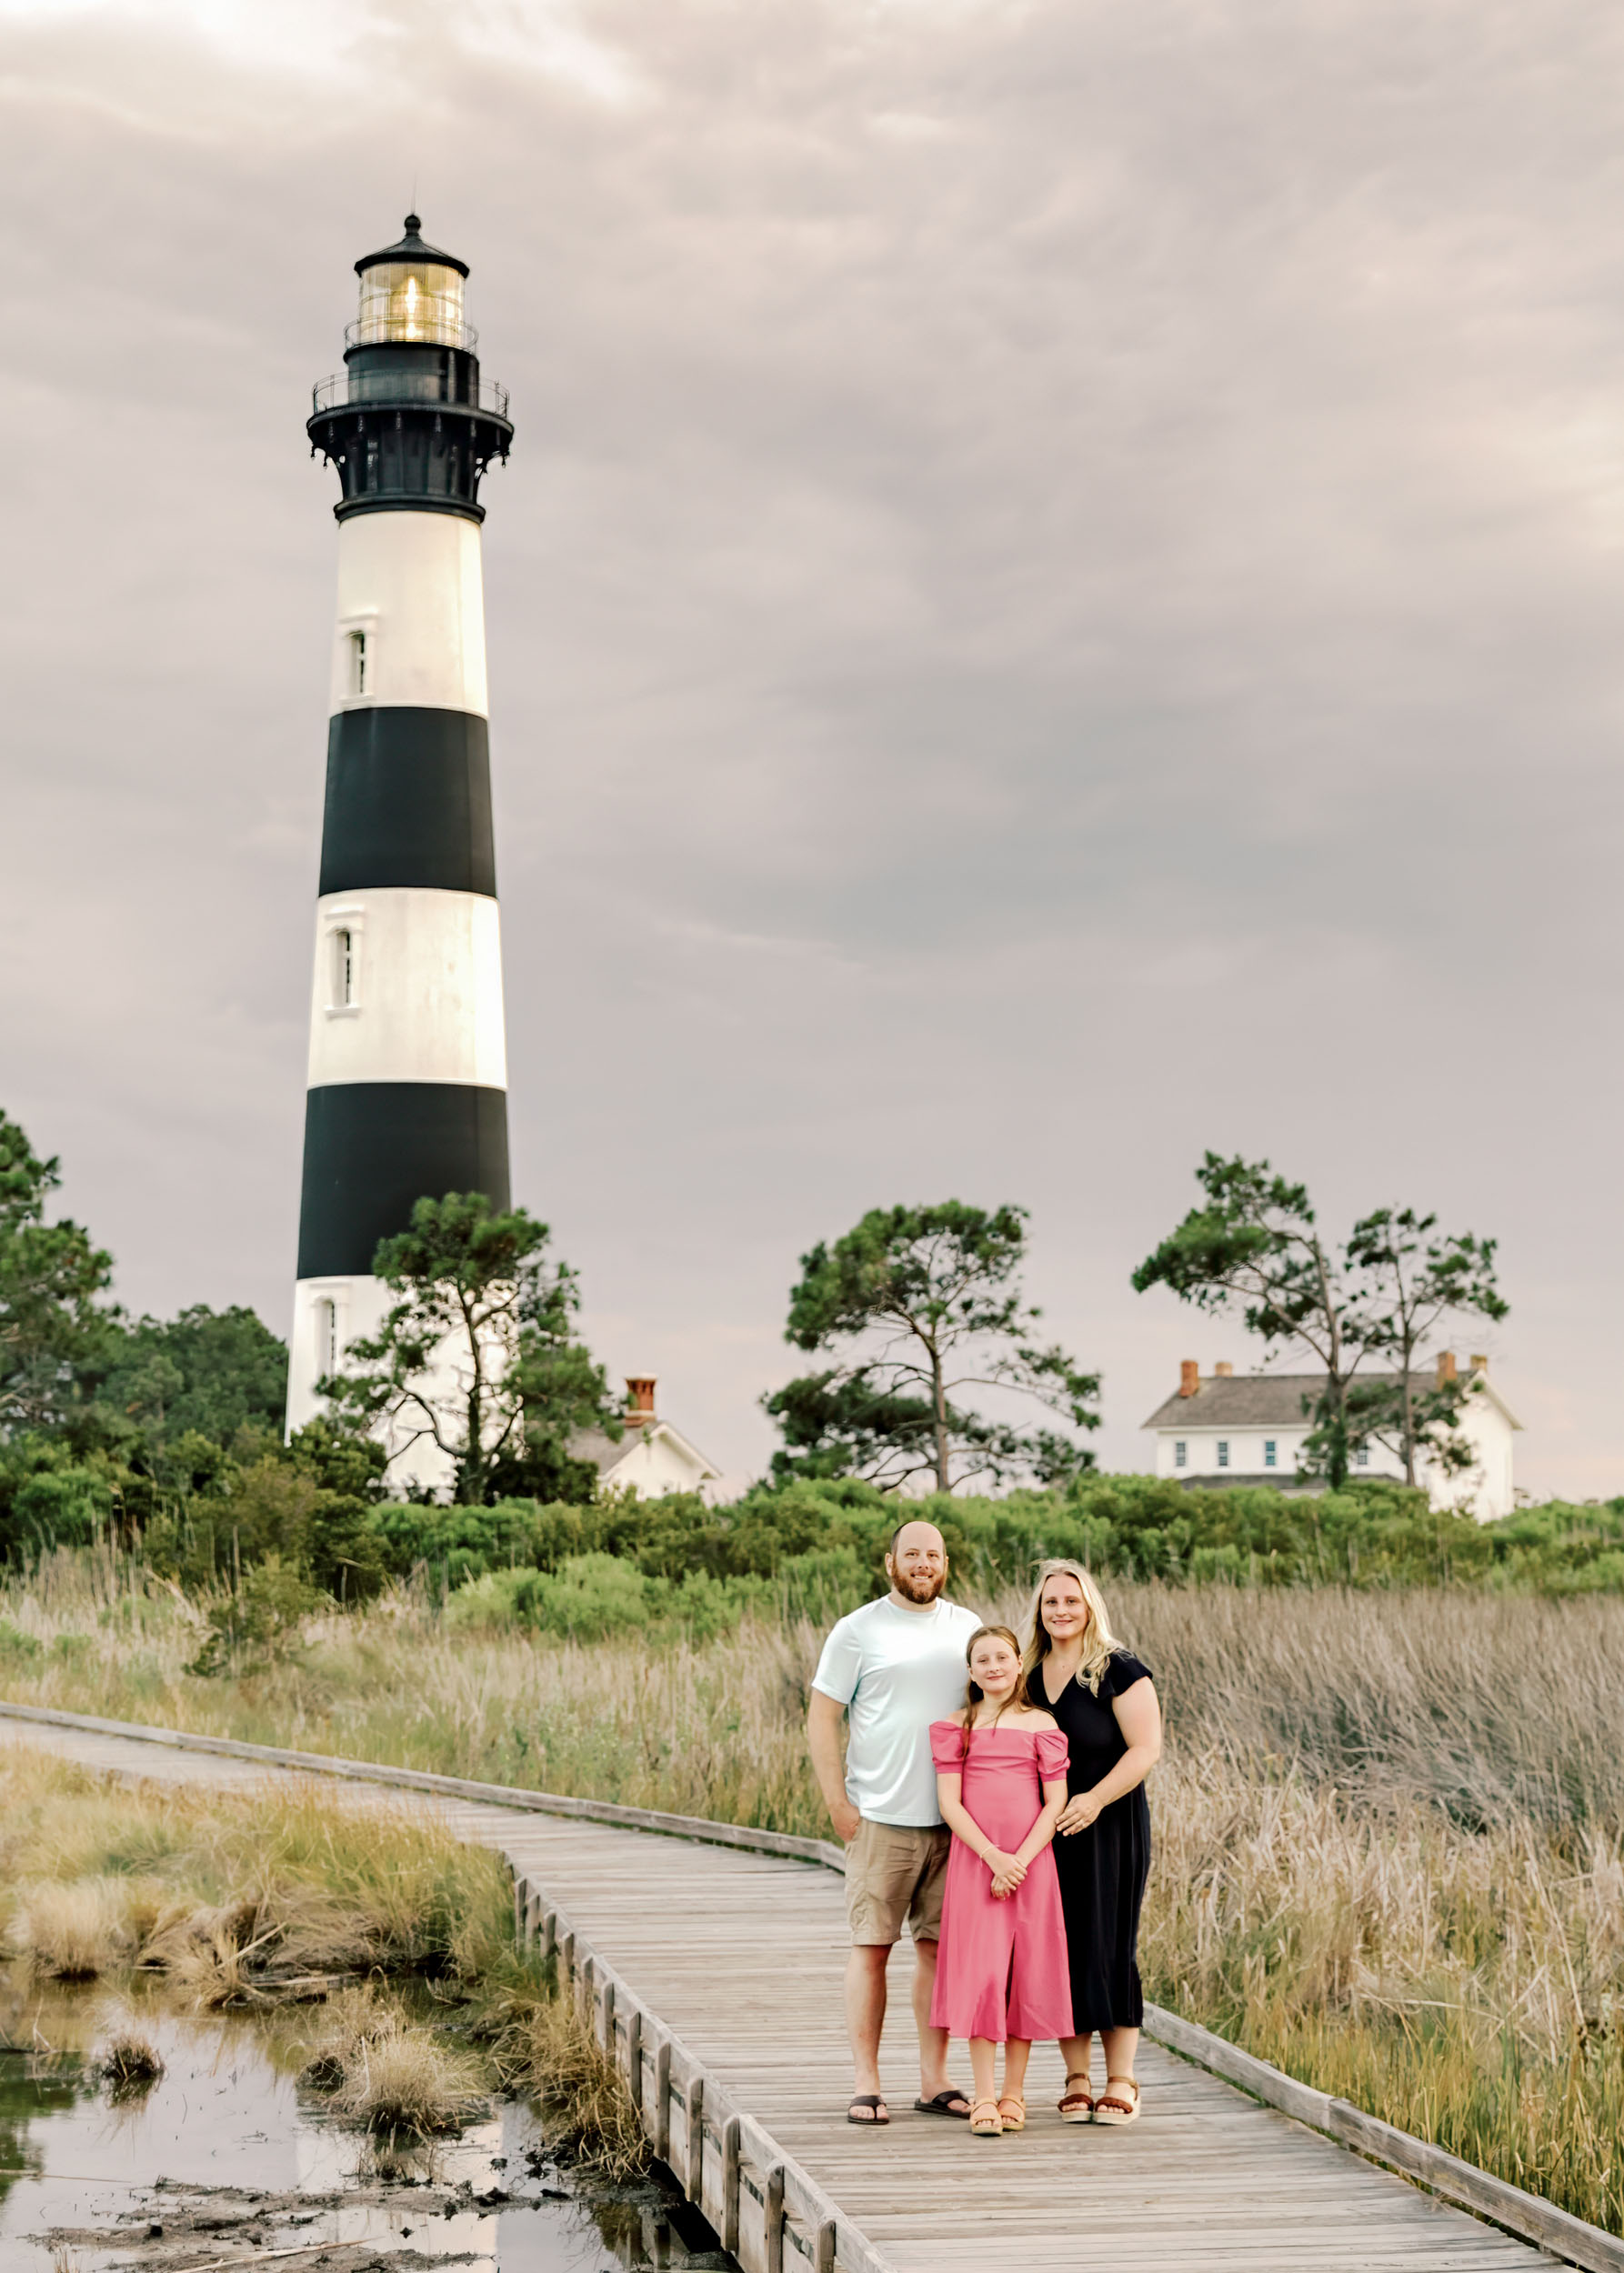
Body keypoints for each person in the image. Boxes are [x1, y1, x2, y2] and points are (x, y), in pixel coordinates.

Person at [807, 1519, 983, 2127]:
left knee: (936, 1951)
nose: (923, 1563)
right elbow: (822, 1717)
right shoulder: (858, 1630)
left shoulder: (967, 1628)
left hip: (953, 1822)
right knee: (872, 1949)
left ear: (945, 1562)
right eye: (912, 1554)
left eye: (933, 1554)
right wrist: (838, 1802)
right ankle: (866, 2081)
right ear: (891, 1562)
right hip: (881, 1818)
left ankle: (935, 2080)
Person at [1024, 1557, 1162, 2128]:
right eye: (1051, 1601)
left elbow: (1145, 1749)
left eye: (1071, 1601)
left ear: (1089, 1607)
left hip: (1109, 1822)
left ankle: (1123, 2080)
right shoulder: (1029, 1673)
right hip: (1047, 1829)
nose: (1060, 1611)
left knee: (1109, 1943)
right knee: (1061, 1947)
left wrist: (1095, 1799)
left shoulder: (1118, 1668)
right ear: (1039, 1608)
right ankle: (1076, 2079)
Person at [928, 1625, 1072, 2137]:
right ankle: (984, 2095)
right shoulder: (955, 1726)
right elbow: (950, 1803)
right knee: (983, 1975)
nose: (993, 1666)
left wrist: (1020, 1862)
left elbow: (1054, 1801)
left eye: (1002, 1657)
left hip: (1032, 1865)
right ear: (970, 1672)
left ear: (1018, 1663)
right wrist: (993, 1857)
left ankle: (1015, 2093)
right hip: (978, 1864)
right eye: (982, 1660)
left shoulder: (1042, 1724)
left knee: (1024, 1974)